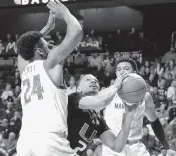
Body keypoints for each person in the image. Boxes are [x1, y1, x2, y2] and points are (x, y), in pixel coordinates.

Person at [16, 0, 83, 156]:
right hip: (50, 140)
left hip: (25, 141)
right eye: (47, 44)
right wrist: (65, 12)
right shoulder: (50, 63)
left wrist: (46, 29)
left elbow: (21, 49)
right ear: (40, 50)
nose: (50, 46)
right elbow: (77, 32)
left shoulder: (23, 70)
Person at [102, 57, 176, 156]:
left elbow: (154, 122)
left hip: (135, 147)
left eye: (126, 68)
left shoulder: (145, 96)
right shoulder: (107, 94)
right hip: (113, 149)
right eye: (118, 69)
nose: (122, 71)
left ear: (135, 72)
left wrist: (167, 147)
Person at [67, 74, 137, 156]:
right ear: (79, 89)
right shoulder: (73, 98)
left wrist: (129, 115)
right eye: (87, 80)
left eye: (96, 81)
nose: (93, 81)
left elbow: (117, 146)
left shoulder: (98, 120)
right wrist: (116, 86)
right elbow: (102, 102)